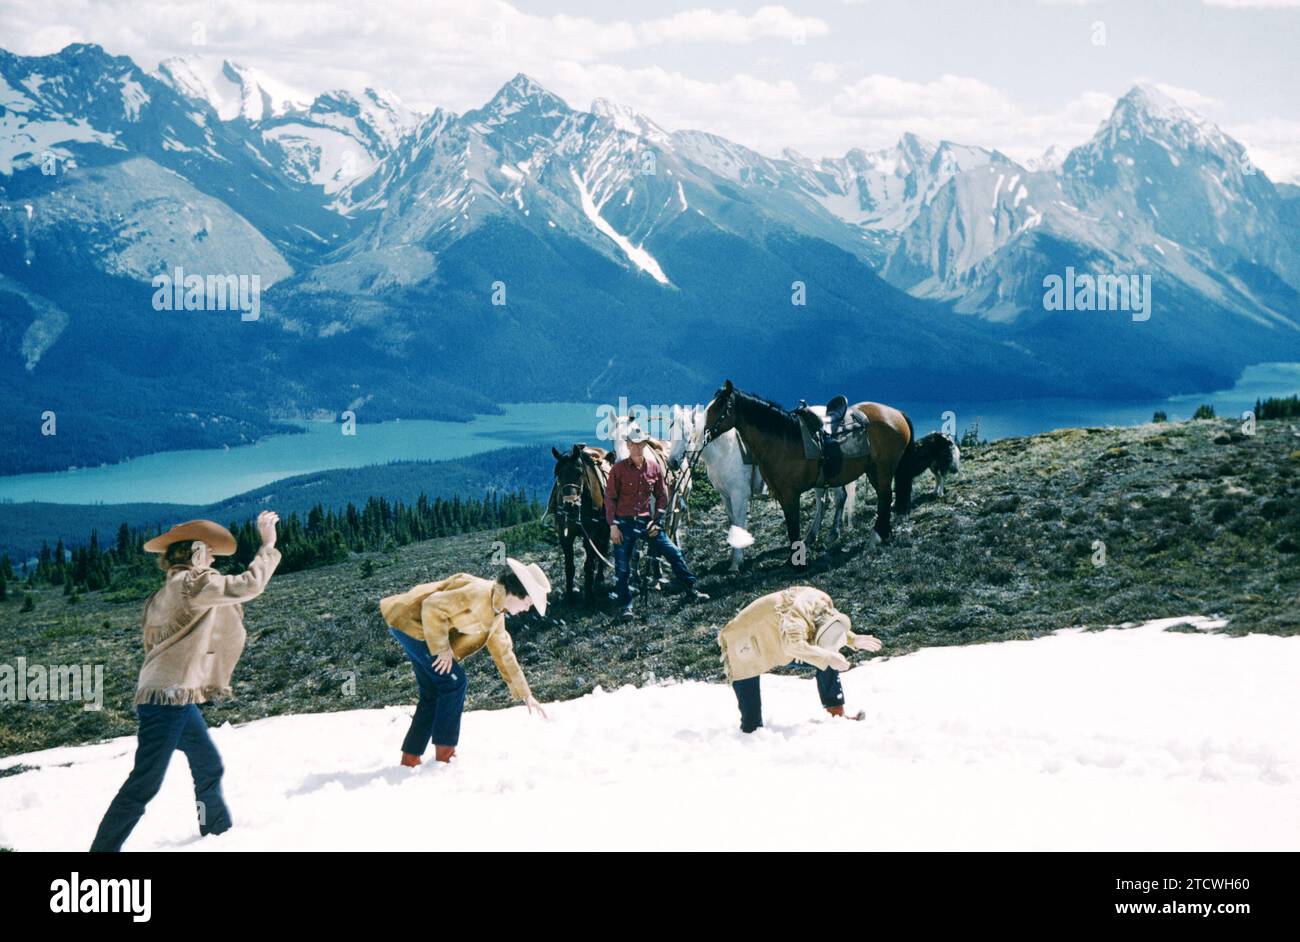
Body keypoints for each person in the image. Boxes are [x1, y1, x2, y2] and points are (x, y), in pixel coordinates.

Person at [90, 512, 281, 852]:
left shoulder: (166, 591)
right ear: (193, 552)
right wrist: (268, 546)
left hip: (168, 694)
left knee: (208, 764)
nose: (212, 558)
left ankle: (217, 833)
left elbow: (156, 642)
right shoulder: (194, 584)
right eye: (207, 551)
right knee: (143, 784)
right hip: (169, 697)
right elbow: (248, 585)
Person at [379, 558, 551, 767]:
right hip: (410, 623)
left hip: (417, 629)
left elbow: (504, 653)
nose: (527, 609)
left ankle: (410, 758)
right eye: (528, 603)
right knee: (454, 683)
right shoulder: (480, 593)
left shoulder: (497, 612)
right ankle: (445, 755)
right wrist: (441, 648)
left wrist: (526, 694)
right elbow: (432, 606)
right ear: (518, 592)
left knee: (433, 691)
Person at [717, 586, 883, 733]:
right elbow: (793, 646)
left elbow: (826, 628)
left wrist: (852, 639)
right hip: (744, 638)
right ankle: (750, 738)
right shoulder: (795, 619)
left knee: (829, 658)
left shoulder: (821, 603)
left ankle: (836, 713)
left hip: (781, 635)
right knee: (752, 725)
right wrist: (827, 656)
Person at [606, 425, 708, 617]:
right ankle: (626, 606)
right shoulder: (617, 470)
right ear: (627, 445)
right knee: (622, 567)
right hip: (624, 523)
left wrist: (657, 520)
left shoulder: (653, 468)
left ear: (645, 444)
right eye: (633, 444)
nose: (636, 448)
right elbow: (609, 499)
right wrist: (613, 525)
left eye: (640, 444)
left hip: (646, 522)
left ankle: (691, 589)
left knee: (674, 552)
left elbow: (662, 496)